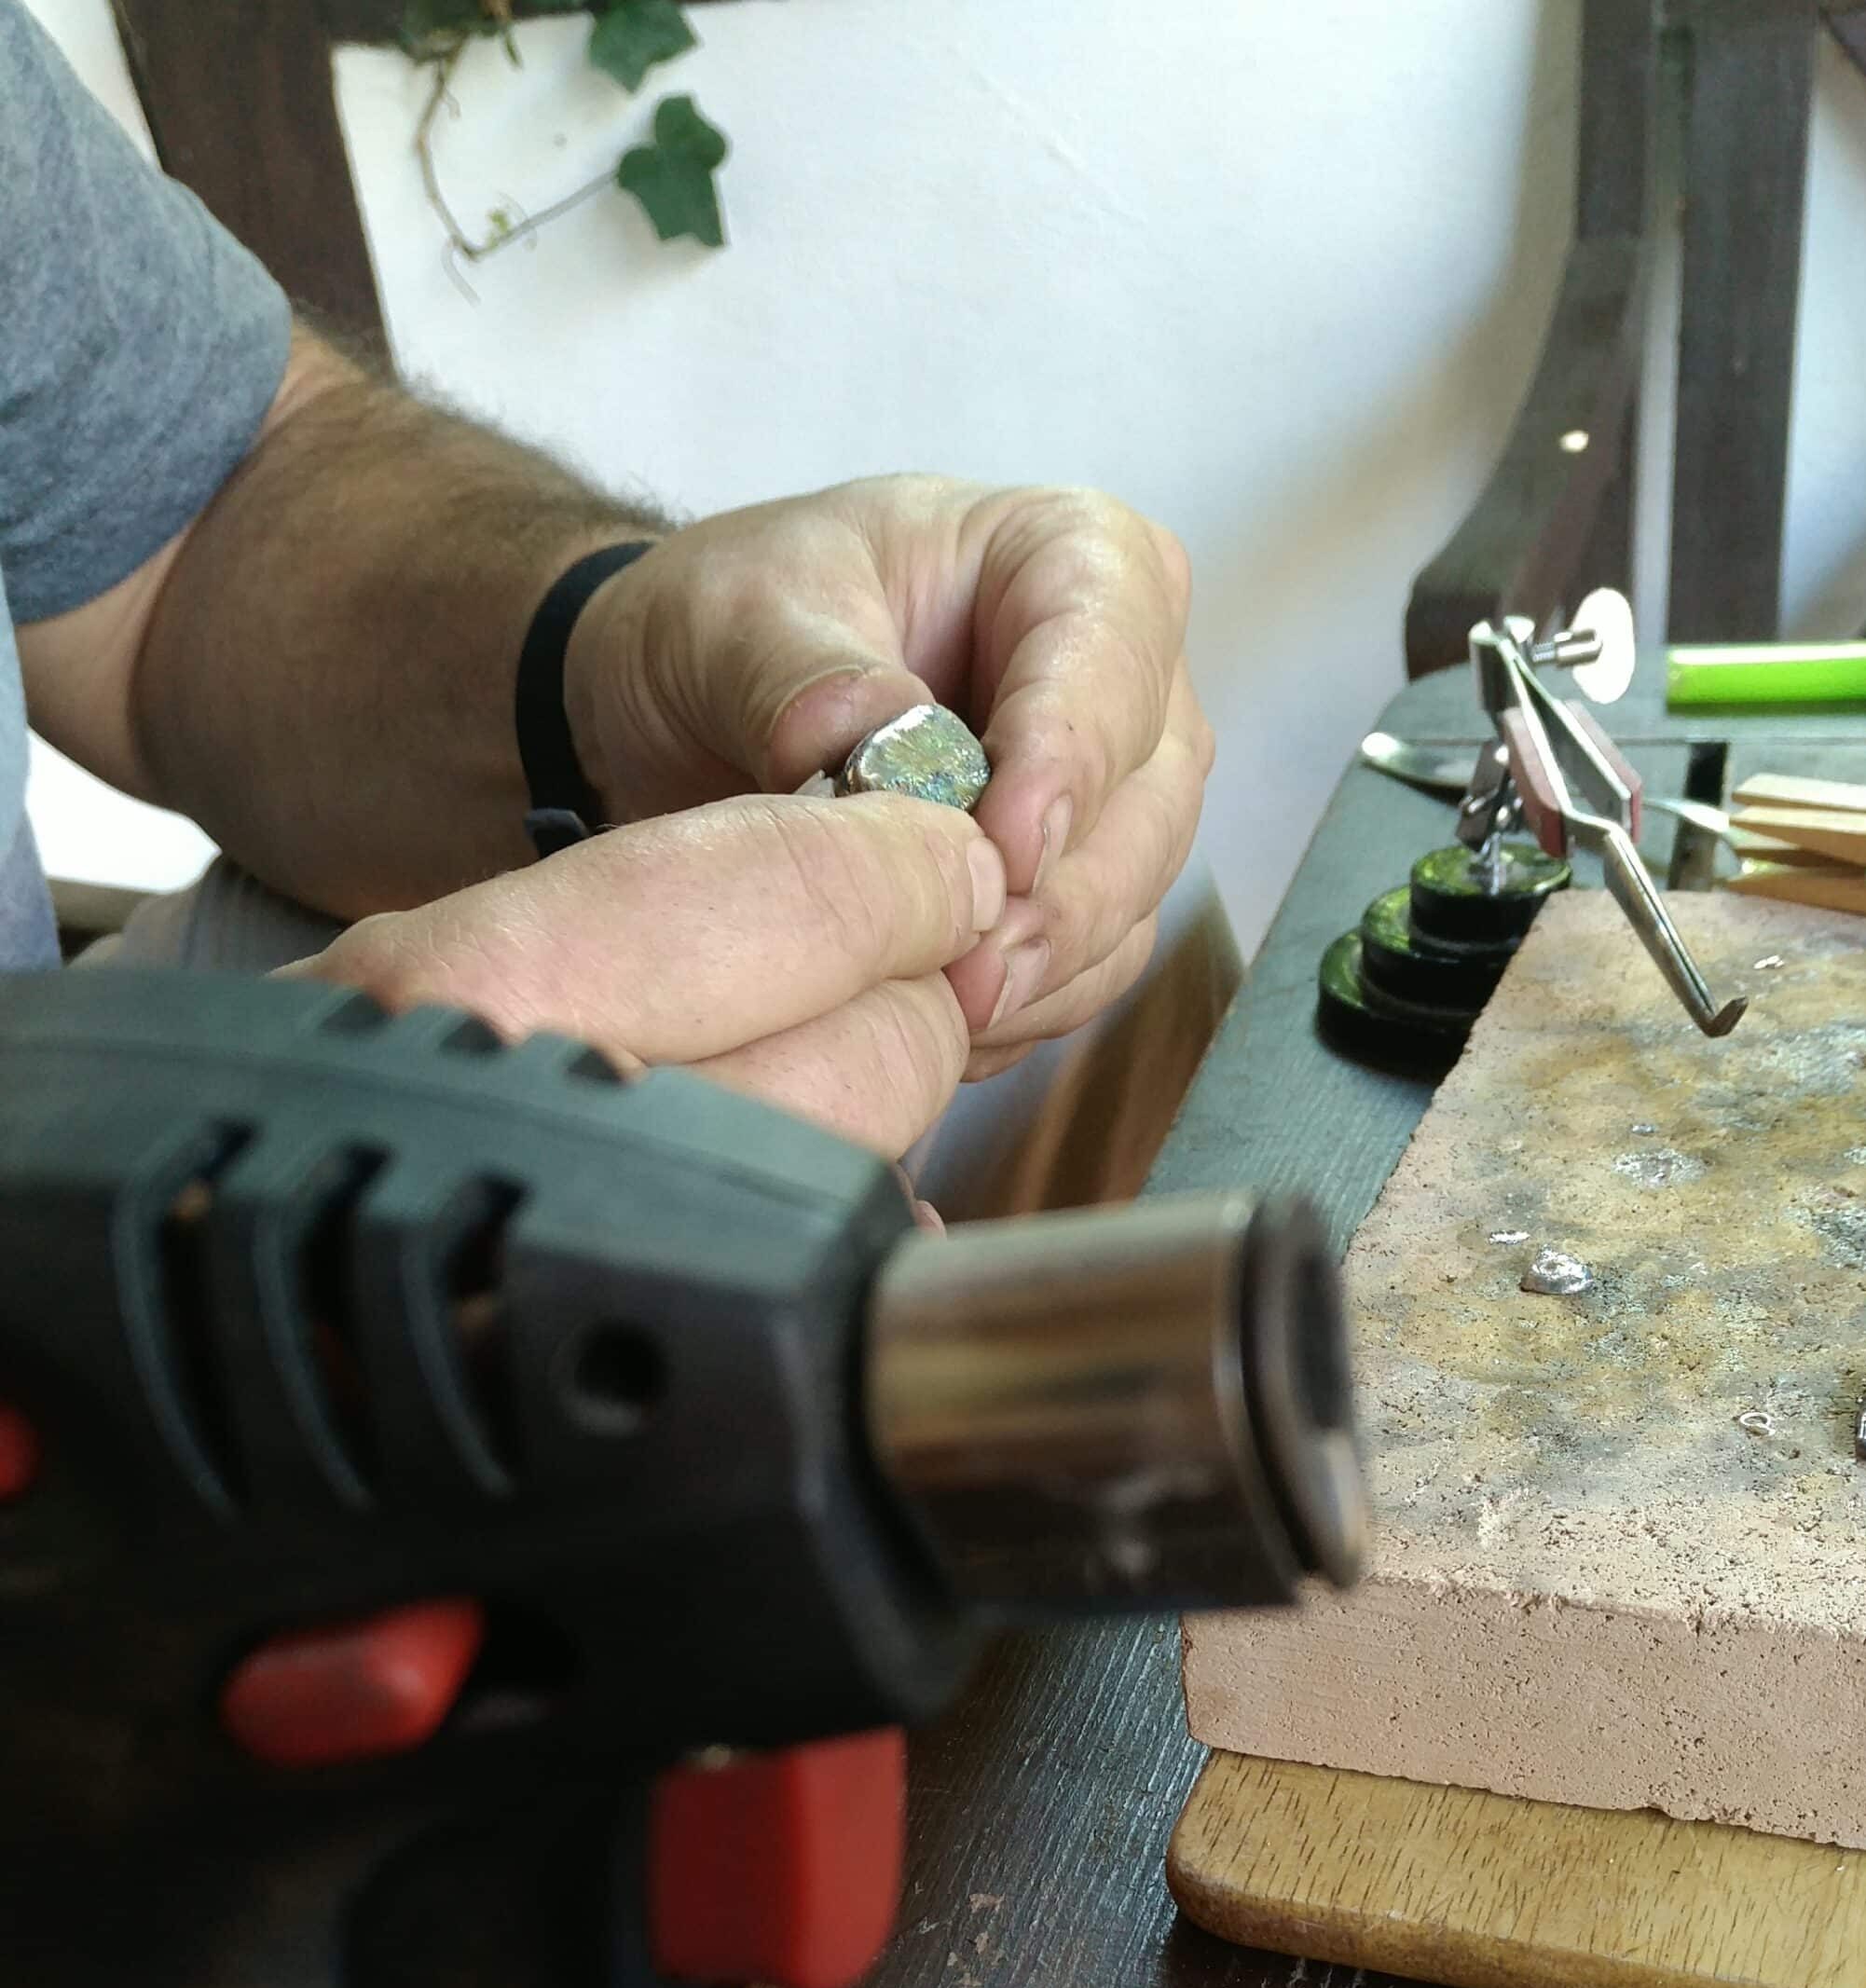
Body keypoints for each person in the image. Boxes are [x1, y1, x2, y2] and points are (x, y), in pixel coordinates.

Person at [3, 0, 1212, 1170]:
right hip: (100, 1182)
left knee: (1095, 969)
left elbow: (191, 513)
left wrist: (598, 656)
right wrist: (211, 1244)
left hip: (85, 1076)